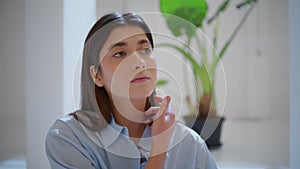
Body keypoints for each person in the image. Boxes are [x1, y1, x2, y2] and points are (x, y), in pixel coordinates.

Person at [45, 12, 218, 169]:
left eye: (144, 49)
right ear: (97, 75)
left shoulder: (189, 143)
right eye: (120, 53)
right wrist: (159, 149)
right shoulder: (68, 138)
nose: (139, 62)